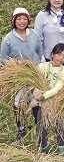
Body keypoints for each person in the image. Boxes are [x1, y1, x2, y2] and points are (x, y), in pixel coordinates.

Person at [0, 7, 43, 140]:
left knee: (36, 100)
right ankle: (21, 128)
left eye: (24, 18)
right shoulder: (8, 39)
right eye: (19, 19)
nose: (22, 21)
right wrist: (16, 67)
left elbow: (39, 52)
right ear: (14, 21)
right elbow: (3, 60)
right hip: (19, 76)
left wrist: (39, 68)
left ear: (28, 20)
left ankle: (39, 127)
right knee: (19, 102)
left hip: (35, 73)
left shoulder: (34, 35)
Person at [32, 43, 64, 154]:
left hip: (56, 103)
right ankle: (44, 148)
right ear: (52, 54)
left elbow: (58, 88)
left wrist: (44, 95)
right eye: (58, 54)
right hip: (41, 105)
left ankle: (61, 151)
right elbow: (33, 81)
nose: (61, 58)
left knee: (59, 127)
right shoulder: (42, 66)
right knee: (41, 128)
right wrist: (35, 90)